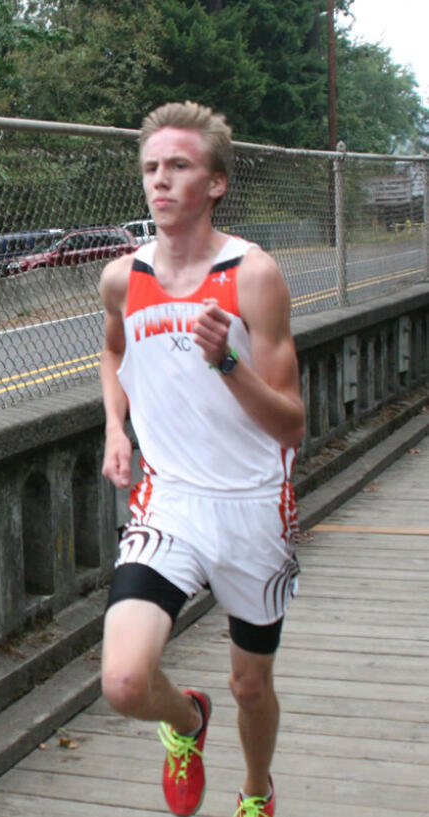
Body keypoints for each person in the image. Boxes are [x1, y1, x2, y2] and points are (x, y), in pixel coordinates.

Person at [97, 101, 304, 817]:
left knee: (251, 685)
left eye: (179, 166)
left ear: (214, 183)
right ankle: (186, 720)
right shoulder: (123, 278)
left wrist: (227, 365)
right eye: (152, 167)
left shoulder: (253, 275)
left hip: (253, 505)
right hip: (169, 499)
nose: (161, 181)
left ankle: (256, 790)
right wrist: (115, 427)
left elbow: (293, 424)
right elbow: (115, 349)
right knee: (124, 680)